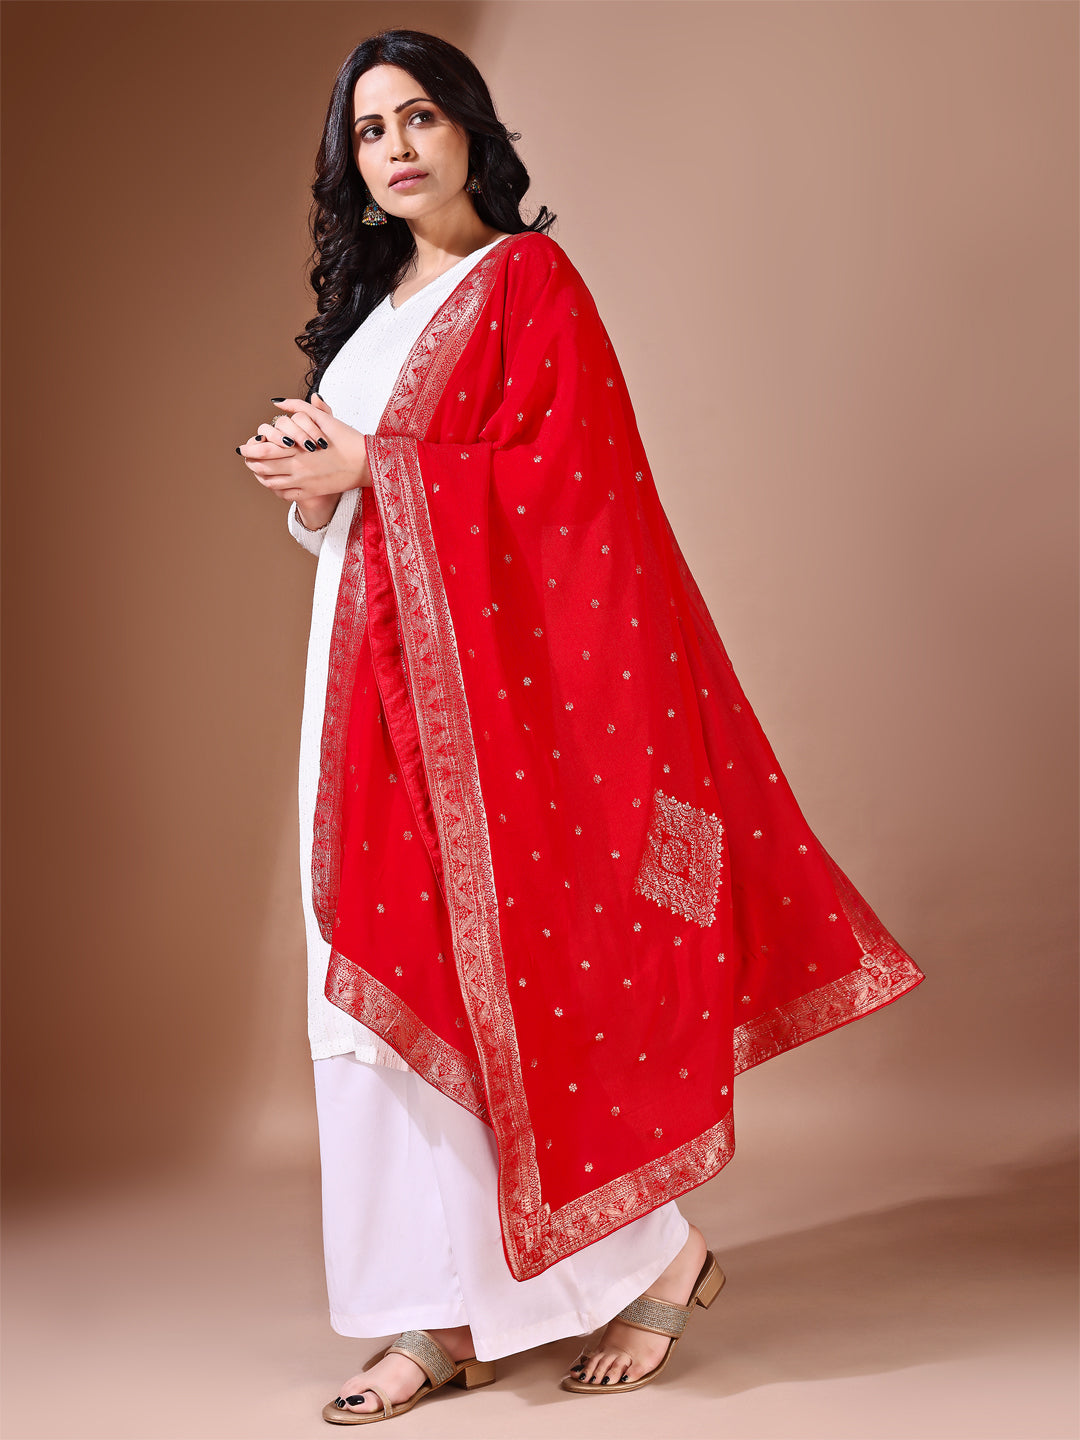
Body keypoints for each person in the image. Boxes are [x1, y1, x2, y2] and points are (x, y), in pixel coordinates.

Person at [236, 27, 926, 1426]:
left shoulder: (528, 280)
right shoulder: (372, 319)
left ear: (470, 130)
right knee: (373, 1006)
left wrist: (378, 467)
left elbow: (579, 493)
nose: (400, 147)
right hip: (365, 694)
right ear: (352, 171)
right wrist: (314, 485)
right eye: (371, 132)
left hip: (486, 720)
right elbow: (362, 512)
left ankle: (658, 1258)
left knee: (493, 967)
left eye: (421, 115)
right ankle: (432, 1318)